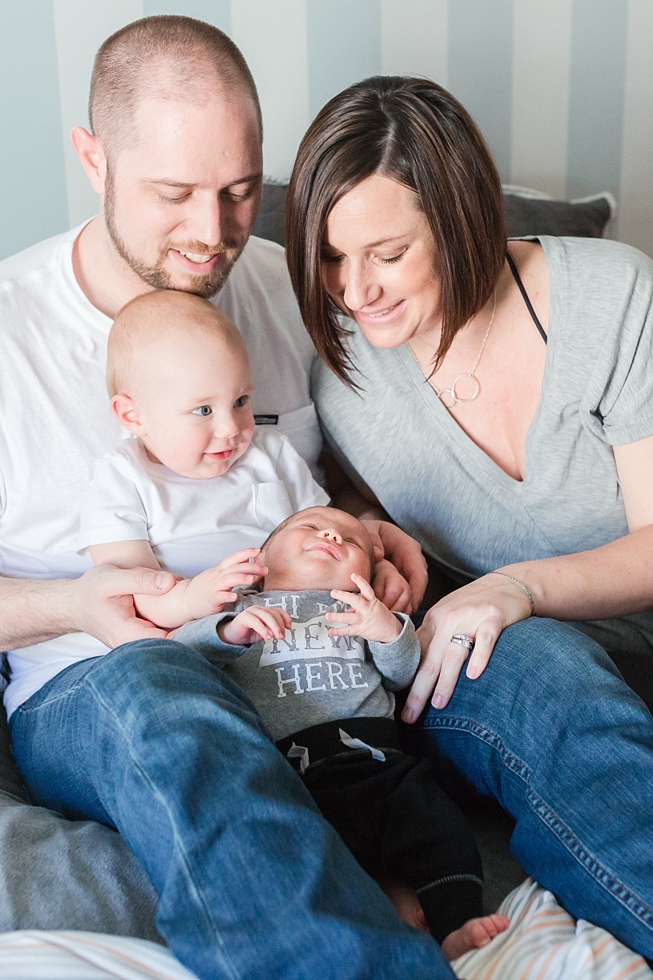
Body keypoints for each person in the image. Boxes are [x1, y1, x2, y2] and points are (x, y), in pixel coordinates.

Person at [1, 19, 450, 980]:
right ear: (93, 159)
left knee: (524, 651)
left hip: (317, 646)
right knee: (169, 697)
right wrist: (78, 606)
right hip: (109, 672)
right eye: (173, 194)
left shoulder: (291, 287)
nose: (213, 233)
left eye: (239, 190)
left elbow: (343, 477)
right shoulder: (9, 335)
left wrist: (374, 527)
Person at [285, 74, 653, 959]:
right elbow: (344, 515)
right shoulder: (345, 385)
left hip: (596, 621)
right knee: (534, 664)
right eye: (331, 259)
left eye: (386, 252)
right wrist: (372, 525)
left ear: (457, 216)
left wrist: (513, 586)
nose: (354, 290)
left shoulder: (610, 299)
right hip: (507, 658)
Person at [174, 504, 511, 959]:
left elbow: (404, 674)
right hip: (292, 775)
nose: (332, 537)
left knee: (437, 826)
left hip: (380, 764)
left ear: (368, 575)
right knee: (315, 853)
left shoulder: (364, 610)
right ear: (262, 559)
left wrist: (387, 632)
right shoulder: (241, 606)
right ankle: (373, 918)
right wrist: (229, 632)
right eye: (310, 528)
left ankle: (457, 924)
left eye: (350, 542)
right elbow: (176, 656)